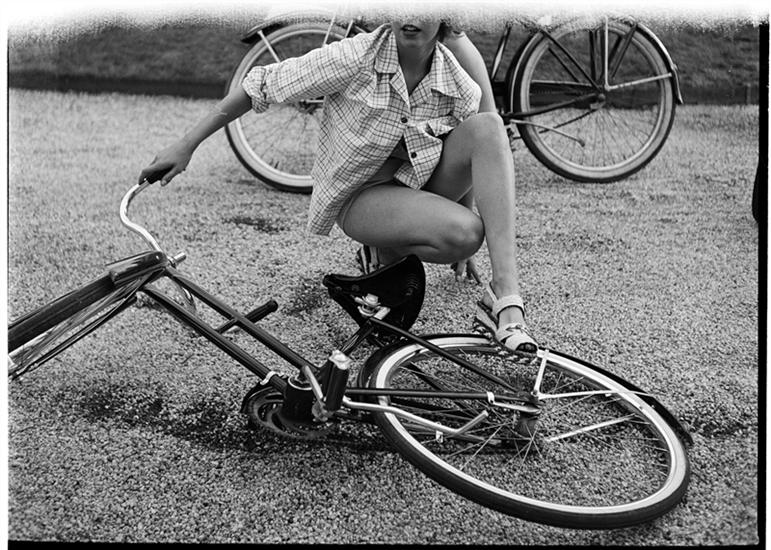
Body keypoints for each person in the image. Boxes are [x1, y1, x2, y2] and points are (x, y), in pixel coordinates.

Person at [139, 20, 537, 353]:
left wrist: (467, 210)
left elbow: (474, 158)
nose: (410, 15)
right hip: (362, 196)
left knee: (488, 129)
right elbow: (261, 84)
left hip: (416, 182)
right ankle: (384, 252)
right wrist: (186, 144)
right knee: (464, 234)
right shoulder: (355, 56)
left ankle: (504, 297)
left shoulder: (455, 81)